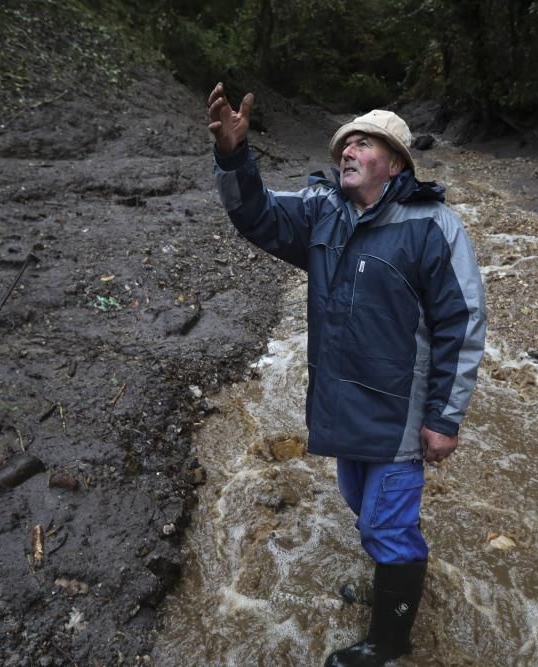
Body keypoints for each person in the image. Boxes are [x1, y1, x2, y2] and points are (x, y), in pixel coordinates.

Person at [207, 82, 486, 667]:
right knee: (363, 508)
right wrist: (234, 155)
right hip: (341, 402)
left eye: (364, 143)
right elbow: (253, 214)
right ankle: (398, 590)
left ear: (396, 163)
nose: (348, 151)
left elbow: (461, 324)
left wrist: (444, 418)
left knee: (388, 525)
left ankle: (389, 646)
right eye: (345, 144)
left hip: (398, 413)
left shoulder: (434, 225)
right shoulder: (320, 213)